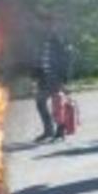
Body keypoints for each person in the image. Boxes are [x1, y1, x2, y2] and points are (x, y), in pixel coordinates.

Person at [32, 12, 71, 143]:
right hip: (44, 78)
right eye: (44, 24)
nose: (46, 26)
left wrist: (64, 79)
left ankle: (60, 131)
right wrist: (35, 76)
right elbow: (38, 60)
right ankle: (48, 130)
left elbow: (66, 60)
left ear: (53, 25)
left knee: (58, 105)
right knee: (40, 102)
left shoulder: (59, 39)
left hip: (56, 78)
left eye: (49, 23)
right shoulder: (41, 39)